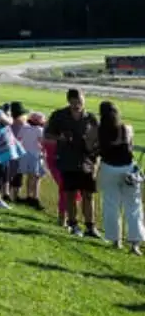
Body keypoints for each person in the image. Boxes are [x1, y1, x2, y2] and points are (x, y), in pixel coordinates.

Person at [44, 89, 101, 237]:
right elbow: (47, 134)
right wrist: (60, 137)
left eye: (80, 102)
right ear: (68, 101)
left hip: (87, 162)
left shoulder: (91, 118)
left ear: (84, 100)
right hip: (67, 160)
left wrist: (95, 157)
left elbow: (98, 140)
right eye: (74, 102)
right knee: (70, 194)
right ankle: (73, 224)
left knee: (88, 195)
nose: (77, 105)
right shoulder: (59, 116)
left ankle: (90, 227)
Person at [96, 101, 142, 254]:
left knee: (111, 204)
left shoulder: (99, 130)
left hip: (108, 168)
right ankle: (135, 243)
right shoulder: (126, 128)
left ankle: (116, 240)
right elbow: (130, 146)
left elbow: (92, 147)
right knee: (133, 206)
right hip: (128, 168)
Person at [12, 108, 46, 209]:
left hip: (23, 154)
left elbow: (18, 140)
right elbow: (42, 143)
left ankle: (24, 196)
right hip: (34, 155)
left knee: (24, 175)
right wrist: (43, 153)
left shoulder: (24, 128)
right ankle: (32, 197)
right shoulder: (40, 130)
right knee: (34, 177)